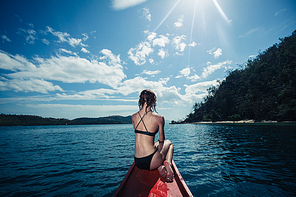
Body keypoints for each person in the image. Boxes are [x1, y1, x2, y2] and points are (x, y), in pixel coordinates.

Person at [132, 89, 174, 182]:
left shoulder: (133, 116)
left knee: (153, 144)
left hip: (138, 162)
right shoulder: (159, 118)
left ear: (141, 100)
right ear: (153, 101)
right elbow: (162, 141)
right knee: (169, 143)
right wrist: (159, 149)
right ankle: (168, 164)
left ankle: (159, 167)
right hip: (151, 161)